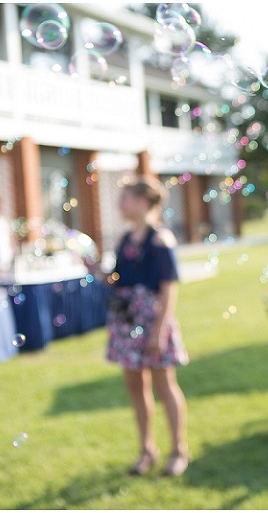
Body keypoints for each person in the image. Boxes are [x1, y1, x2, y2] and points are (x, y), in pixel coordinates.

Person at [90, 176, 190, 477]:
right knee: (135, 387)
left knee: (164, 384)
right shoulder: (125, 239)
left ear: (143, 202)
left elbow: (169, 288)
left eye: (126, 198)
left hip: (152, 320)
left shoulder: (160, 240)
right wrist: (96, 271)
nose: (120, 204)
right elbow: (118, 279)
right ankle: (147, 449)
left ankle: (178, 450)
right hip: (127, 321)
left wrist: (159, 331)